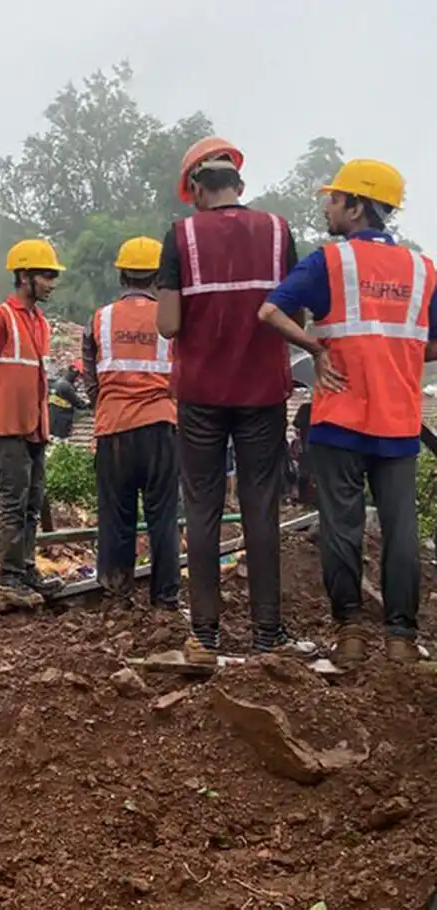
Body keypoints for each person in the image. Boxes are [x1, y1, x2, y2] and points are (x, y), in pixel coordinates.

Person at [257, 158, 436, 666]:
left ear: (357, 207)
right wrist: (399, 357)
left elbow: (269, 311)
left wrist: (315, 348)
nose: (328, 206)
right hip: (399, 420)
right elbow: (428, 340)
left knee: (342, 525)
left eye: (335, 199)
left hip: (339, 418)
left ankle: (351, 634)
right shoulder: (424, 271)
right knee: (402, 529)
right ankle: (401, 638)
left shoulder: (329, 263)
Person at [155, 137, 312, 662]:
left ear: (198, 189)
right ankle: (268, 632)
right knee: (261, 504)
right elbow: (298, 318)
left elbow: (170, 324)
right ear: (240, 187)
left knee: (201, 505)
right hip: (263, 390)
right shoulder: (277, 231)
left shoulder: (180, 237)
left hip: (200, 393)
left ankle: (204, 635)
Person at [81, 236, 179, 608]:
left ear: (122, 274)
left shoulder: (99, 319)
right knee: (164, 518)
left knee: (115, 518)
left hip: (114, 431)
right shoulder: (171, 319)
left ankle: (115, 593)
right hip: (161, 428)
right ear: (158, 277)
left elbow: (91, 379)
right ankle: (166, 598)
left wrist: (108, 408)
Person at [0, 239, 67, 603]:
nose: (51, 283)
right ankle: (9, 576)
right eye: (46, 275)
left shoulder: (39, 322)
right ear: (24, 276)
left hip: (35, 427)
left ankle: (26, 569)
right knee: (13, 501)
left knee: (32, 501)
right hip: (8, 428)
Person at [47, 362, 87, 440]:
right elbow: (79, 404)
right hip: (61, 425)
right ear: (74, 371)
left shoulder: (58, 383)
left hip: (54, 423)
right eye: (79, 375)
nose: (79, 379)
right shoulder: (65, 386)